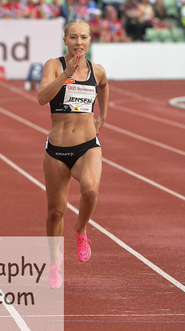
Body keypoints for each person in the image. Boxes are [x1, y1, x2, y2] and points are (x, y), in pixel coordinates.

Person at [37, 19, 109, 290]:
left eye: (84, 37)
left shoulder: (97, 70)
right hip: (56, 150)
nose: (79, 42)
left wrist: (103, 118)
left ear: (90, 41)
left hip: (87, 145)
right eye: (74, 37)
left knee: (90, 190)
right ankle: (55, 264)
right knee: (55, 211)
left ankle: (80, 231)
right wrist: (64, 74)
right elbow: (42, 98)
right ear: (65, 40)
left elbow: (103, 86)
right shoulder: (54, 65)